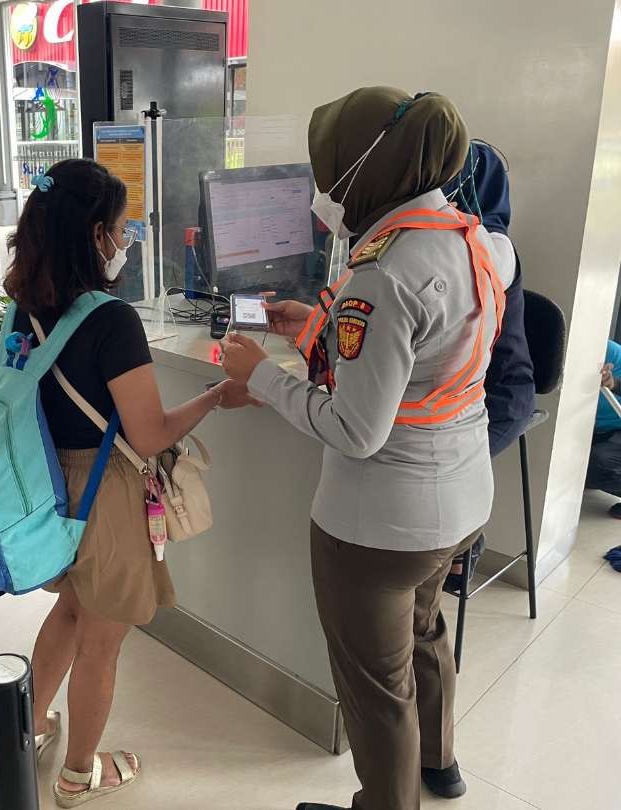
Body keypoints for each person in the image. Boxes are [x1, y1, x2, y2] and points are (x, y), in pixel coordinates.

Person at [220, 87, 515, 810]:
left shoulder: (382, 271)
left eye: (335, 165)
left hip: (378, 522)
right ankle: (439, 766)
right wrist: (315, 327)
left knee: (377, 688)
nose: (328, 185)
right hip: (464, 493)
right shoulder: (480, 241)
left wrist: (261, 379)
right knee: (424, 630)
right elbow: (428, 355)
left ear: (369, 167)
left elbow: (357, 428)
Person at [10, 159, 251, 808]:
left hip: (48, 485)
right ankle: (79, 772)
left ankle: (30, 726)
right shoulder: (109, 320)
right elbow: (146, 435)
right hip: (103, 494)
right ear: (94, 235)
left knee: (69, 607)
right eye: (121, 228)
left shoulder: (26, 303)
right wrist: (216, 397)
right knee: (103, 640)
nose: (126, 241)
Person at [440, 140, 536, 588]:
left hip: (500, 398)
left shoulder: (489, 247)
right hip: (464, 389)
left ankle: (464, 545)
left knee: (437, 466)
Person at [585, 341, 621, 516]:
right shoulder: (609, 351)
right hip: (599, 431)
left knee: (596, 461)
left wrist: (614, 383)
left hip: (615, 435)